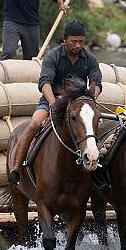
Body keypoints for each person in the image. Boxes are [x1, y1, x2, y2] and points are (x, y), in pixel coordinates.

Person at [9, 20, 102, 184]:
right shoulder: (53, 56)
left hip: (79, 104)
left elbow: (97, 83)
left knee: (95, 128)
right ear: (64, 39)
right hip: (52, 101)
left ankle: (100, 175)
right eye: (74, 41)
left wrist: (90, 98)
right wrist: (52, 102)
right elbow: (45, 82)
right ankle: (17, 167)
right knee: (35, 123)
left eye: (81, 41)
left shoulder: (90, 59)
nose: (78, 45)